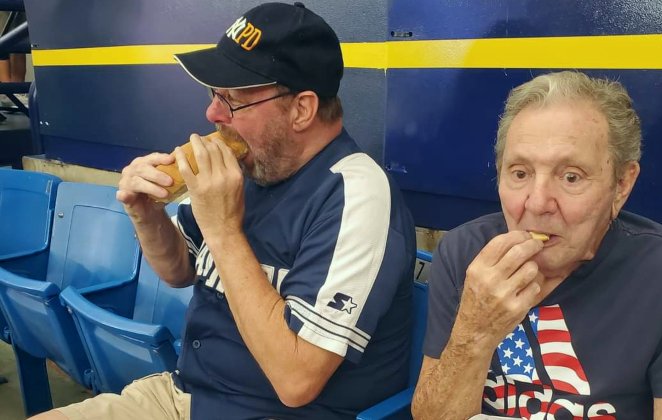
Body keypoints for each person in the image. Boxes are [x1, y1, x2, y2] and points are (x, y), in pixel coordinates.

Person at [32, 2, 416, 419]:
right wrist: (145, 213)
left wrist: (225, 231)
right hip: (187, 396)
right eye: (214, 94)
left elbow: (297, 381)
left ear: (301, 109)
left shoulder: (356, 193)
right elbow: (180, 270)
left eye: (233, 100)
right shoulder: (251, 166)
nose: (213, 114)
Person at [412, 71, 662, 419]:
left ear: (621, 184)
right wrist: (475, 330)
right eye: (520, 173)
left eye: (570, 176)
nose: (537, 203)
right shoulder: (465, 252)